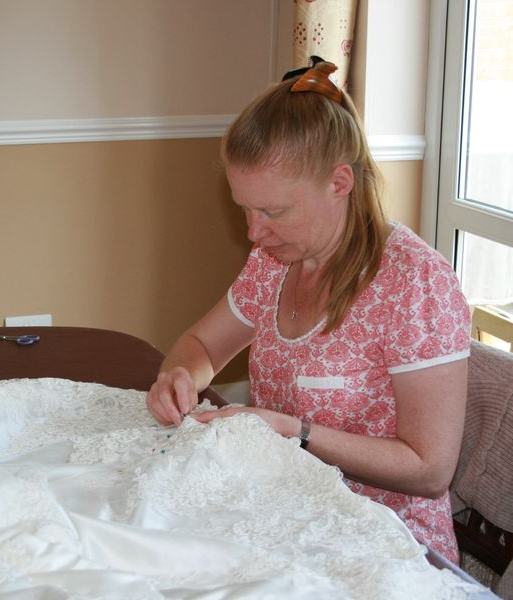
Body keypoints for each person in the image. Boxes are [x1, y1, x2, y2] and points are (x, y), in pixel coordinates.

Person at [146, 58, 470, 564]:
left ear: (340, 183)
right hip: (286, 511)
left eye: (273, 211)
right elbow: (204, 345)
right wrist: (178, 377)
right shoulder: (273, 261)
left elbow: (429, 469)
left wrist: (297, 433)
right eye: (244, 209)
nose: (254, 232)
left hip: (385, 542)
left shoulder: (415, 285)